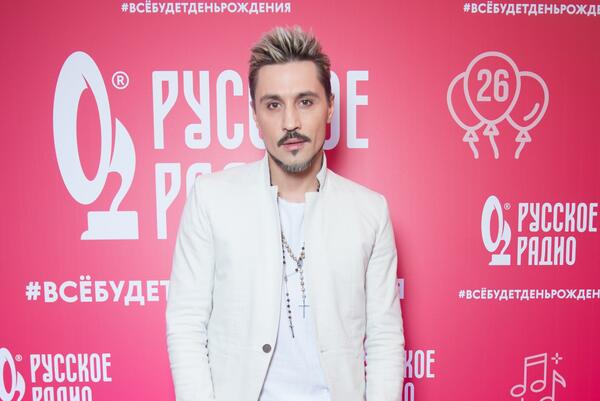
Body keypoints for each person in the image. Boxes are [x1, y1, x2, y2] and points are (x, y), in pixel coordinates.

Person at [166, 26, 405, 401]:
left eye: (305, 101)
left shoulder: (369, 211)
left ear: (329, 105)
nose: (290, 122)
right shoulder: (211, 200)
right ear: (255, 114)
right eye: (273, 105)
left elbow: (384, 337)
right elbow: (186, 324)